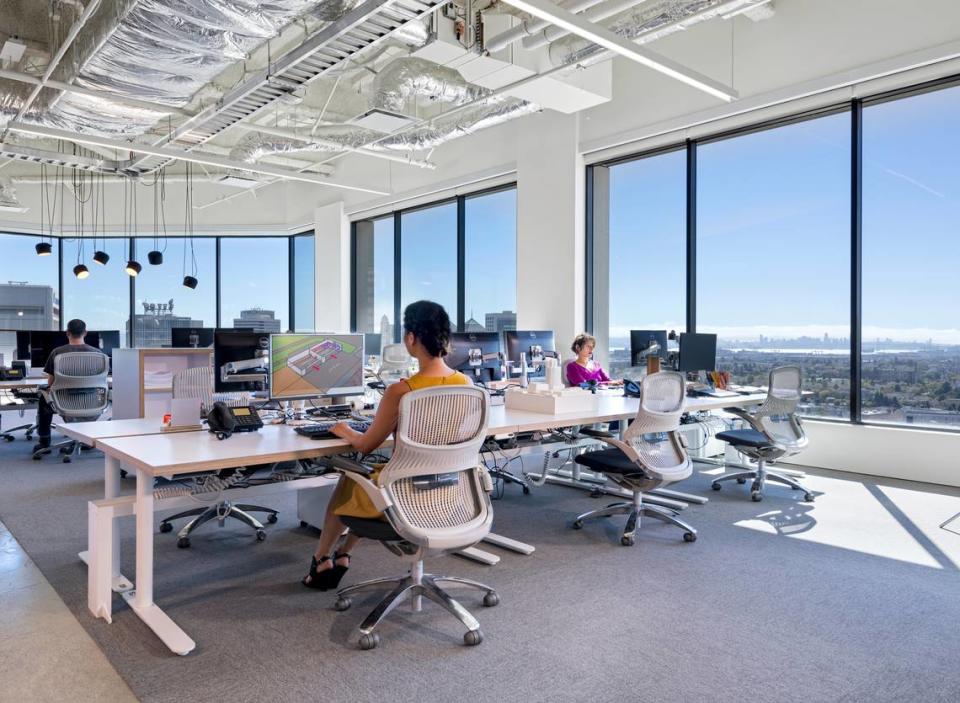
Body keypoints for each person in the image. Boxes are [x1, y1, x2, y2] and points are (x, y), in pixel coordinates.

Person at [302, 300, 471, 590]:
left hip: (404, 496)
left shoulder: (402, 390)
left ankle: (321, 560)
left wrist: (345, 430)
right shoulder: (465, 383)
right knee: (370, 478)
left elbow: (367, 445)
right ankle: (343, 554)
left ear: (410, 338)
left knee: (352, 478)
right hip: (448, 493)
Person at [33, 318, 100, 452]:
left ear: (67, 333)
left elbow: (51, 382)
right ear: (85, 333)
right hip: (91, 401)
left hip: (64, 401)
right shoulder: (98, 354)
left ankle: (44, 441)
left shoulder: (57, 353)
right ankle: (86, 439)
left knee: (43, 399)